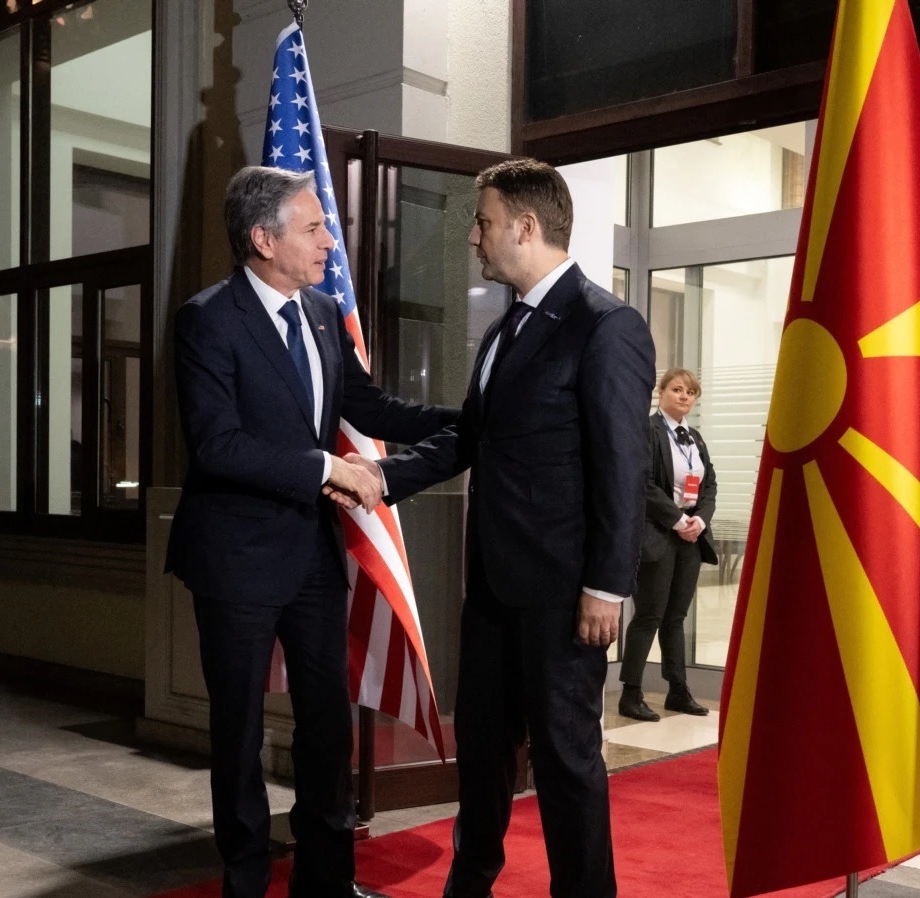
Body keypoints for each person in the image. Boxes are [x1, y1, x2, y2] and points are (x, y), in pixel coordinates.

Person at [337, 159, 654, 898]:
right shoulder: (506, 328)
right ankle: (469, 885)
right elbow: (472, 437)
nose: (474, 238)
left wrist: (606, 587)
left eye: (483, 223)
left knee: (566, 761)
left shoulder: (605, 326)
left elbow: (622, 468)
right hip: (491, 590)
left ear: (526, 226)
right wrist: (382, 477)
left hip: (563, 596)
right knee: (480, 750)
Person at [167, 165, 457, 898]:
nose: (331, 242)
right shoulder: (207, 319)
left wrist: (470, 420)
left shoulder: (324, 313)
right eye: (316, 227)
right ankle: (245, 883)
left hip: (313, 558)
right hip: (235, 558)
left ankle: (326, 880)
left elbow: (372, 407)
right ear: (263, 240)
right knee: (237, 732)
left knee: (327, 723)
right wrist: (328, 466)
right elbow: (217, 445)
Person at [618, 369, 717, 721]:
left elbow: (709, 485)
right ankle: (630, 694)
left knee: (676, 617)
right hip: (659, 533)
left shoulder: (696, 438)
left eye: (690, 392)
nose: (684, 396)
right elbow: (642, 482)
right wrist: (676, 519)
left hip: (690, 537)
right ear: (661, 392)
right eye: (677, 389)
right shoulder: (648, 430)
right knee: (649, 615)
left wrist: (699, 521)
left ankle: (678, 690)